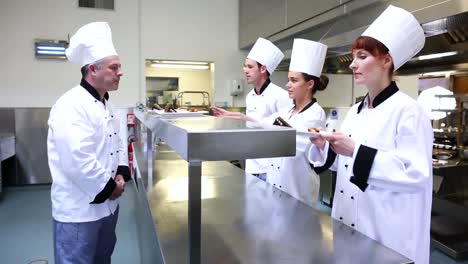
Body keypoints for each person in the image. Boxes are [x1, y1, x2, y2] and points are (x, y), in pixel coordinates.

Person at [307, 5, 432, 263]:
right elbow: (345, 163)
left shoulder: (409, 112)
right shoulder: (355, 110)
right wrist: (325, 146)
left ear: (387, 60)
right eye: (353, 57)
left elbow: (415, 174)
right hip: (348, 221)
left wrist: (354, 149)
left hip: (386, 231)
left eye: (362, 56)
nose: (353, 64)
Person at [47, 22, 130, 264]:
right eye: (114, 67)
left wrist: (121, 174)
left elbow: (118, 141)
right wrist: (110, 188)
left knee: (102, 259)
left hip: (107, 209)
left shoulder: (106, 103)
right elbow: (77, 159)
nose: (120, 72)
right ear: (93, 69)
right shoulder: (71, 105)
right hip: (79, 212)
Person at [213, 38, 329, 206]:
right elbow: (259, 122)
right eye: (289, 79)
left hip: (296, 188)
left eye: (294, 80)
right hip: (276, 183)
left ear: (310, 84)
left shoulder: (315, 113)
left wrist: (270, 130)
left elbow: (294, 146)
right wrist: (232, 116)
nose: (288, 85)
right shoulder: (287, 111)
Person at [243, 37, 291, 180]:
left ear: (263, 69)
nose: (245, 70)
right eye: (245, 66)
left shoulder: (281, 96)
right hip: (251, 165)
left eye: (250, 67)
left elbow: (286, 133)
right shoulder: (249, 96)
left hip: (271, 167)